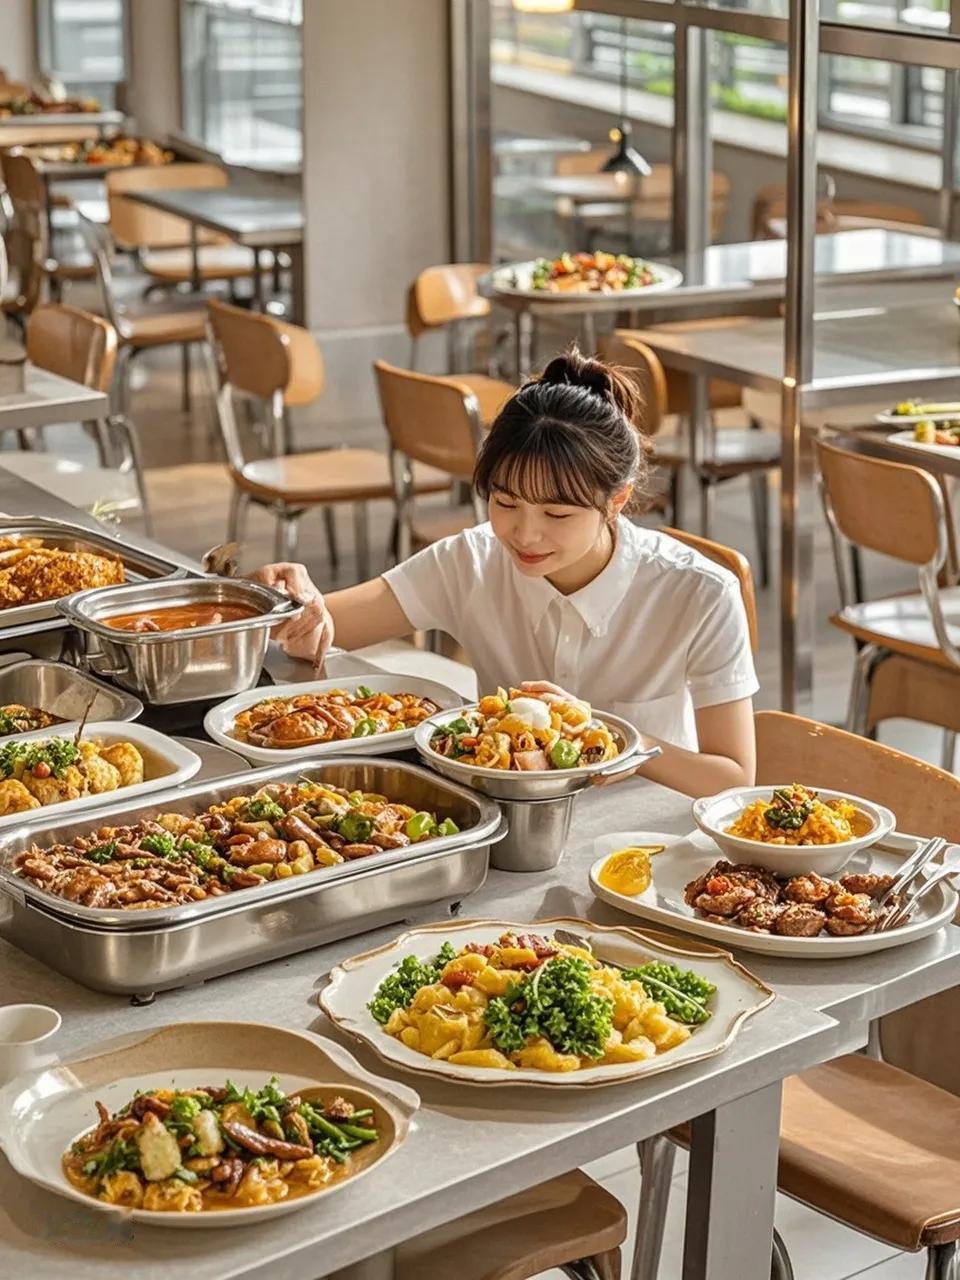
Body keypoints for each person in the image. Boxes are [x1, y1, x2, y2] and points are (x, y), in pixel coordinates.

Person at [253, 348, 758, 798]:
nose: (525, 534)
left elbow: (734, 777)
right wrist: (288, 601)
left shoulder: (700, 592)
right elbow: (319, 633)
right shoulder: (472, 560)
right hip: (506, 823)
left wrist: (613, 736)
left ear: (616, 501)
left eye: (557, 514)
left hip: (643, 838)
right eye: (505, 502)